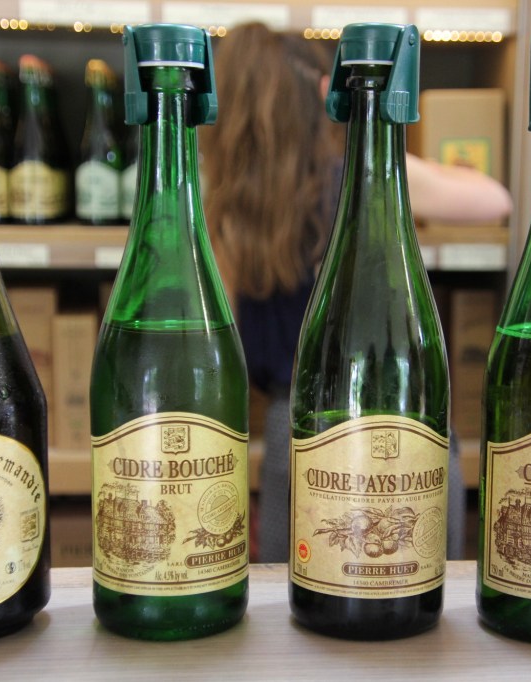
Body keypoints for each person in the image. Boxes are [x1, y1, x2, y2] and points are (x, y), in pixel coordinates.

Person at [200, 22, 512, 563]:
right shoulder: (357, 178)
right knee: (404, 576)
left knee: (304, 583)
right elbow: (493, 200)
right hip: (399, 422)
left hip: (294, 427)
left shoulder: (222, 206)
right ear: (319, 95)